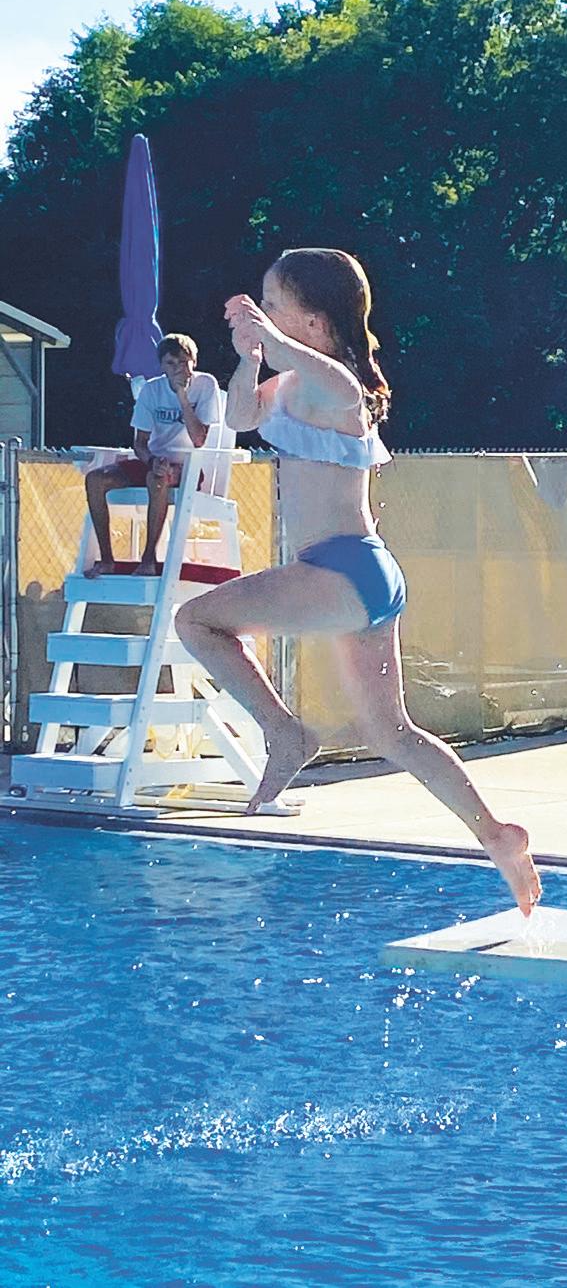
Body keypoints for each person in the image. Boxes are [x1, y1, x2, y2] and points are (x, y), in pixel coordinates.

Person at [174, 249, 542, 916]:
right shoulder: (292, 383)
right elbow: (240, 418)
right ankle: (496, 835)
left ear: (313, 322)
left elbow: (330, 378)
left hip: (340, 569)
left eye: (274, 303)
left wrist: (269, 338)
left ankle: (285, 733)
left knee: (195, 620)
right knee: (392, 733)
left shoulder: (339, 386)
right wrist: (249, 356)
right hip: (359, 576)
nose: (263, 312)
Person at [84, 333, 221, 578]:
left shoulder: (206, 385)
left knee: (156, 480)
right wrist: (152, 461)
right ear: (162, 366)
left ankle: (148, 559)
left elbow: (199, 439)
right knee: (95, 479)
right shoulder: (151, 390)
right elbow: (140, 443)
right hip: (153, 461)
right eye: (171, 363)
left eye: (183, 361)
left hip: (188, 468)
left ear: (194, 362)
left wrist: (182, 396)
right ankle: (106, 560)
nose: (178, 368)